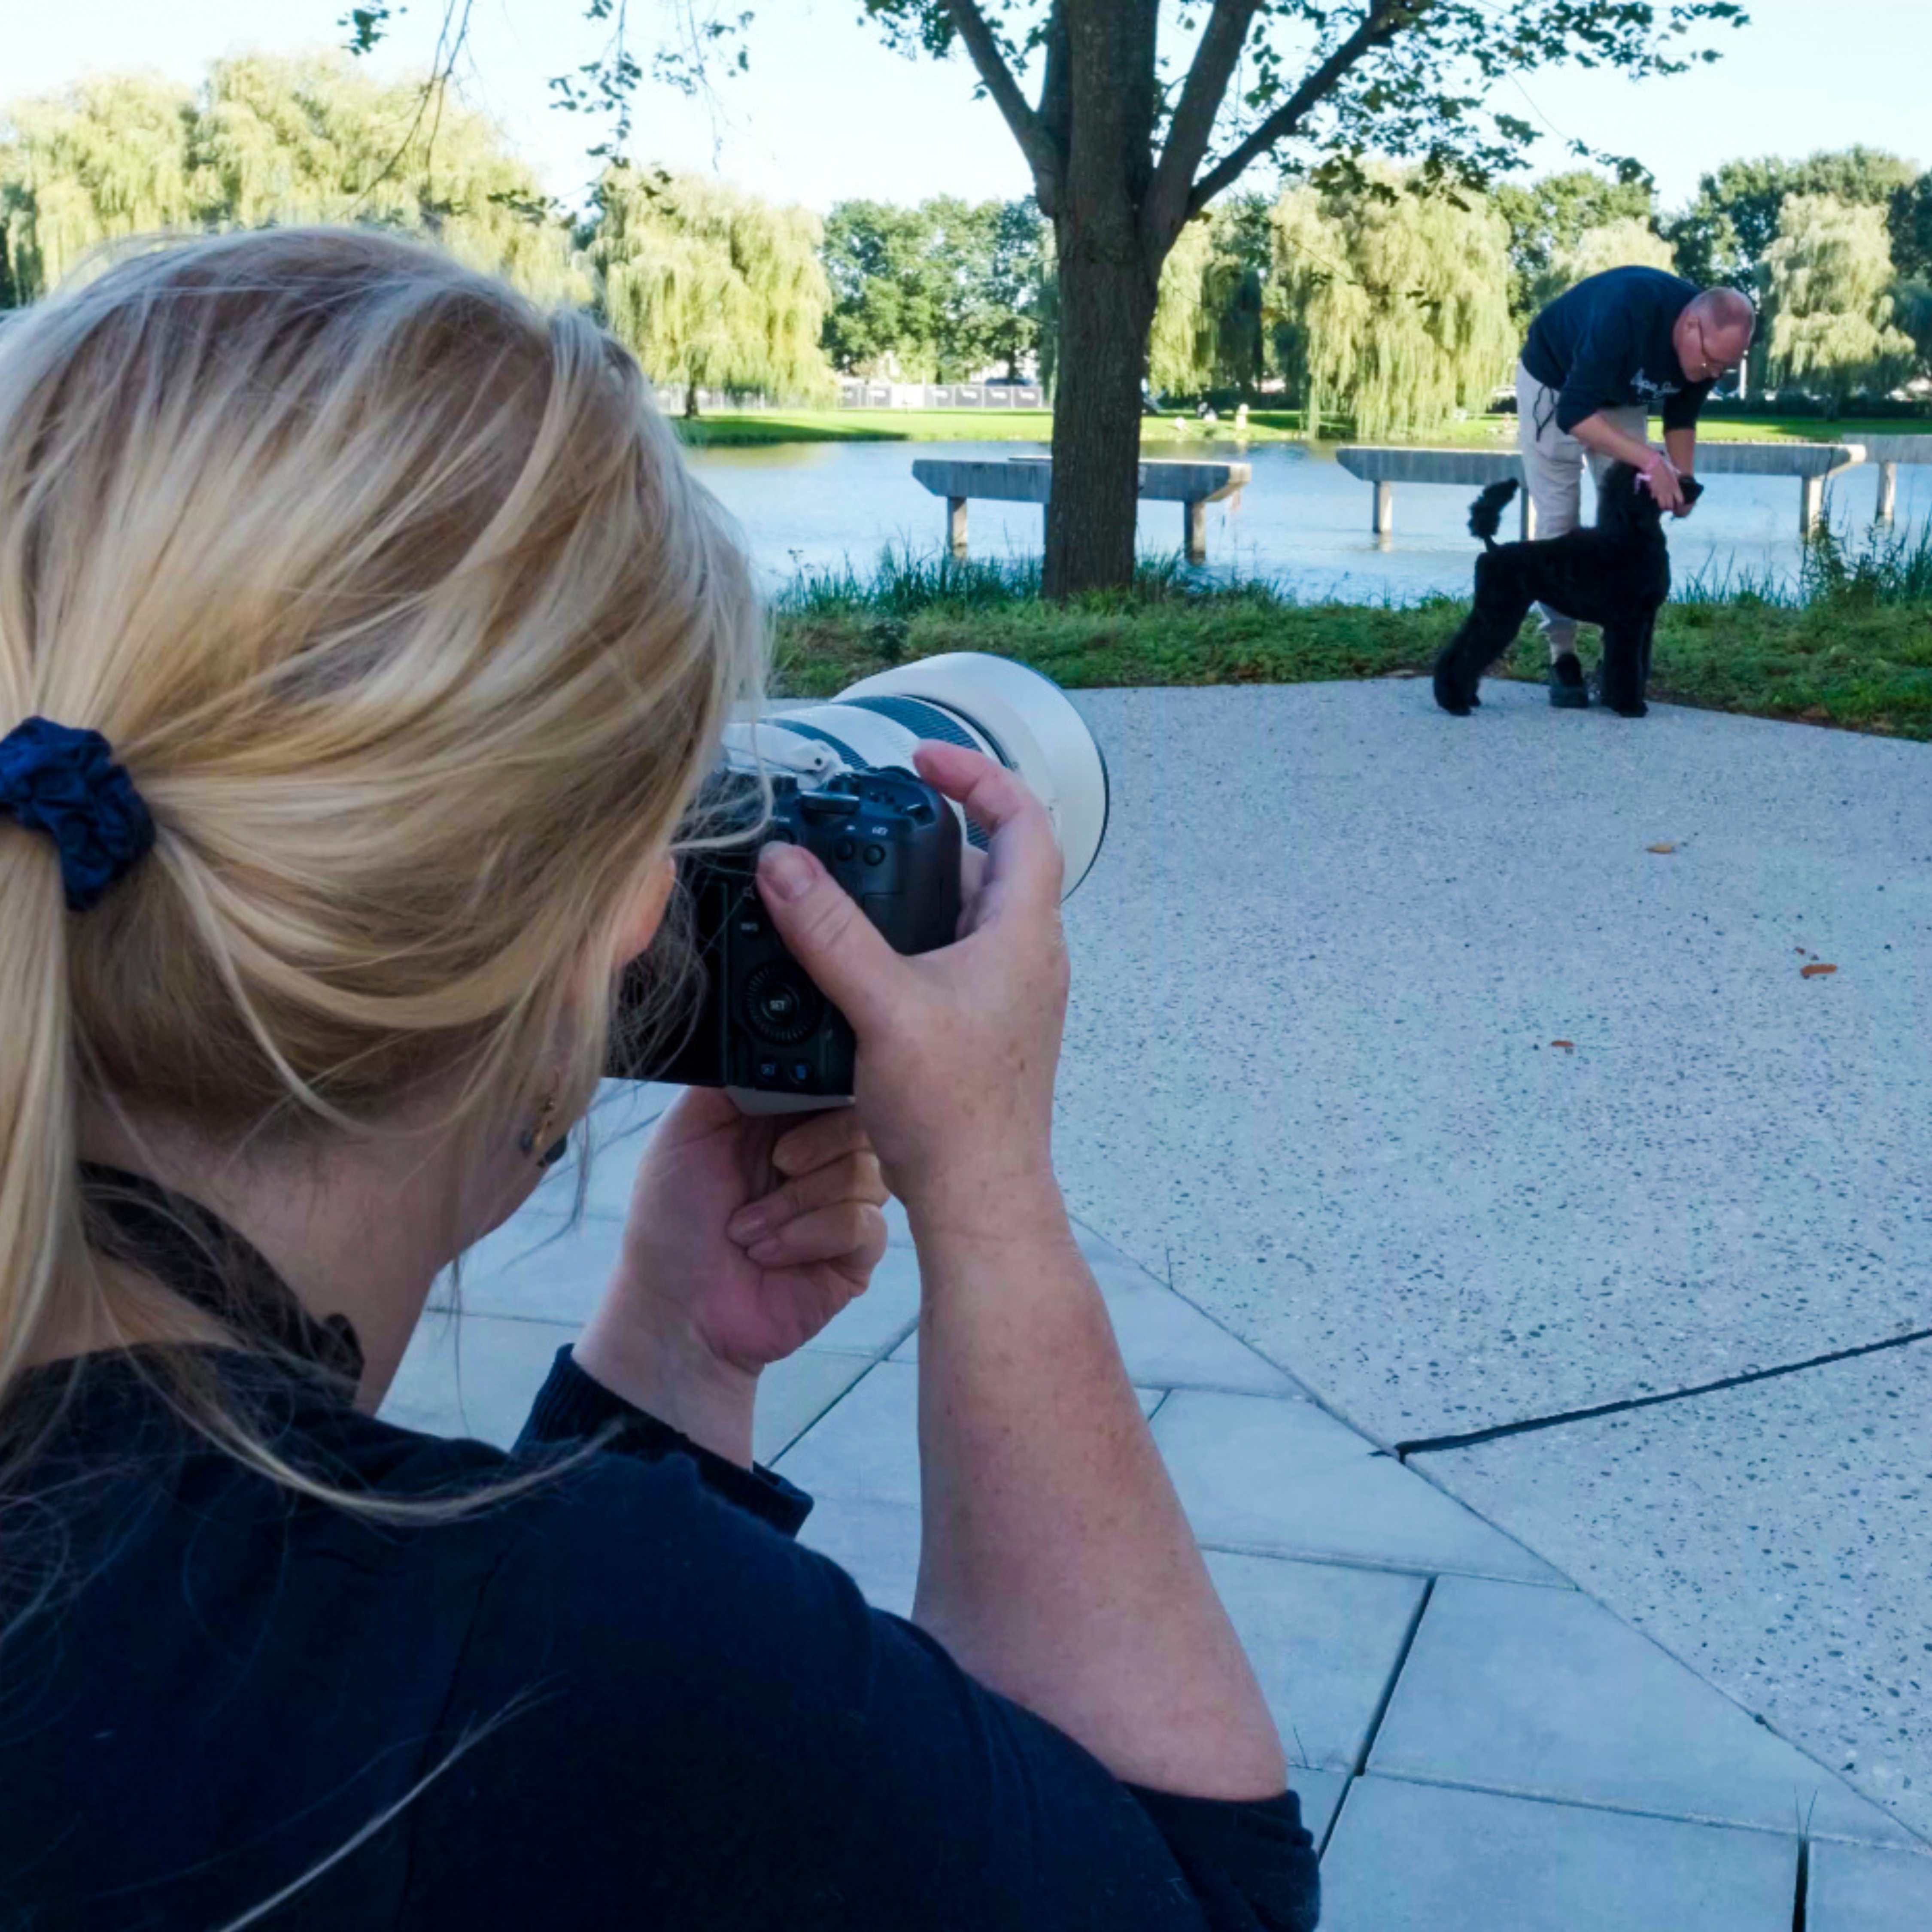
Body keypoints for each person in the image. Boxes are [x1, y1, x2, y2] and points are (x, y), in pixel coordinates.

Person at [0, 231, 1318, 1930]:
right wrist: (990, 1206)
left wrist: (672, 1356)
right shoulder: (565, 1661)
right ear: (624, 908)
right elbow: (1192, 1900)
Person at [1517, 265, 1755, 707]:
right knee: (1558, 521)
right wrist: (1648, 459)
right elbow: (1575, 413)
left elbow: (1681, 418)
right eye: (1710, 363)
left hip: (1619, 397)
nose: (1713, 373)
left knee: (1624, 528)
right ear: (1689, 325)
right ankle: (1562, 654)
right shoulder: (1625, 312)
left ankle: (1619, 660)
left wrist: (1681, 481)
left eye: (1726, 367)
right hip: (1556, 387)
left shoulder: (1707, 355)